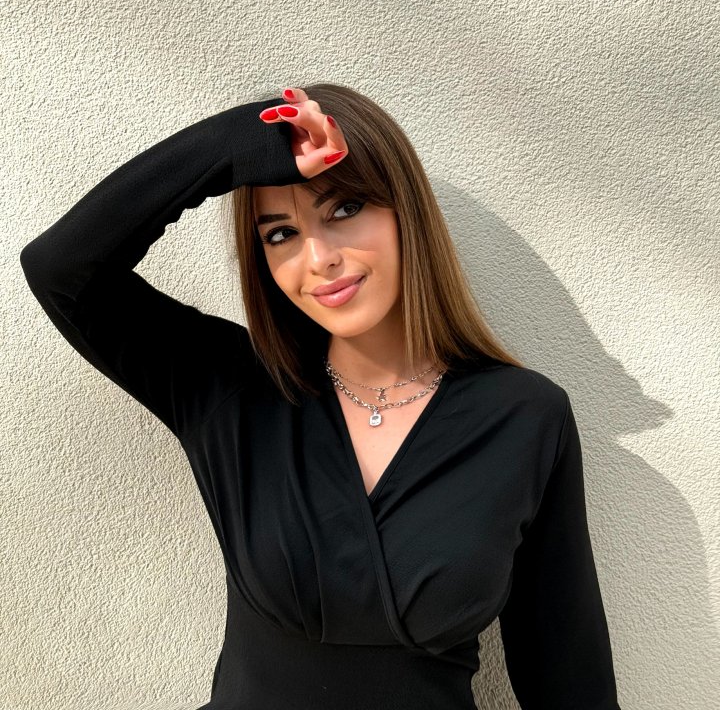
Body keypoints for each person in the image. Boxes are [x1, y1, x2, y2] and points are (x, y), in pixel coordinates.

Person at [19, 82, 622, 710]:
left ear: (405, 213)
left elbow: (566, 669)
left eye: (344, 209)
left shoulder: (524, 417)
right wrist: (241, 144)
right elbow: (62, 269)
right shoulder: (232, 389)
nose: (318, 258)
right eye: (280, 234)